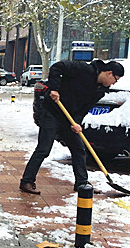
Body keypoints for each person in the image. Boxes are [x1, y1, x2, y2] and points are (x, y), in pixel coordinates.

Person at [19, 59, 124, 194]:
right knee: (44, 149)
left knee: (79, 149)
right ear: (109, 73)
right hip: (51, 112)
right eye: (115, 79)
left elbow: (84, 109)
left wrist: (77, 122)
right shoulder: (84, 69)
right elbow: (57, 67)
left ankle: (82, 183)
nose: (114, 83)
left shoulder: (100, 91)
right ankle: (27, 181)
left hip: (68, 119)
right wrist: (54, 89)